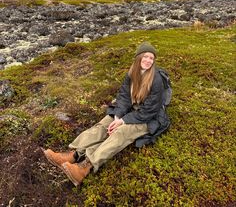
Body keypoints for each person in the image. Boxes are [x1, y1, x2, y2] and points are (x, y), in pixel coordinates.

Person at [43, 42, 170, 186]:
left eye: (151, 58)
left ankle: (85, 168)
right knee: (104, 124)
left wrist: (123, 121)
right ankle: (73, 155)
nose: (148, 60)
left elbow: (149, 111)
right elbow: (123, 97)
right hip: (131, 111)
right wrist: (117, 116)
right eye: (145, 57)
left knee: (120, 133)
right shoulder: (132, 74)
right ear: (138, 57)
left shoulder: (156, 79)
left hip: (147, 119)